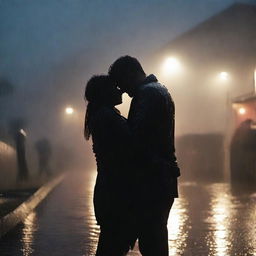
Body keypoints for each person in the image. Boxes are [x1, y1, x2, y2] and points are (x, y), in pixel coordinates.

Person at [108, 55, 180, 256]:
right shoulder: (160, 90)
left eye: (120, 83)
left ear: (131, 74)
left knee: (151, 242)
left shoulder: (147, 95)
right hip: (162, 177)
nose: (121, 90)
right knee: (156, 239)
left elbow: (138, 140)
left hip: (152, 180)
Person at [84, 75, 136, 256]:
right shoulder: (107, 117)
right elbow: (129, 148)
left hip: (110, 187)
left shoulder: (103, 115)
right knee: (114, 245)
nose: (120, 90)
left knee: (111, 244)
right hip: (115, 190)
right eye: (114, 87)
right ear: (104, 93)